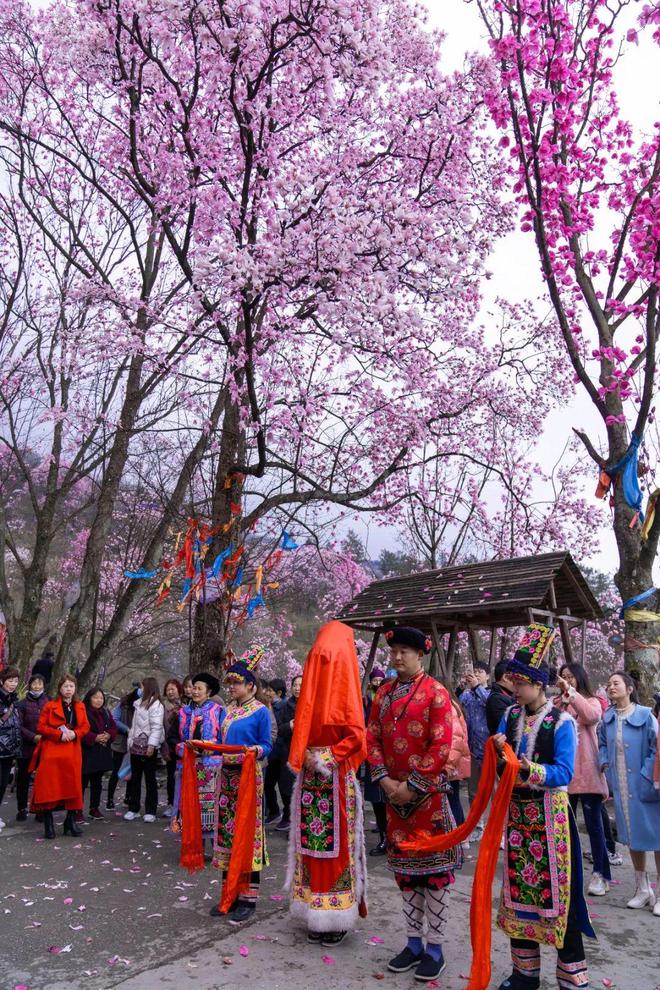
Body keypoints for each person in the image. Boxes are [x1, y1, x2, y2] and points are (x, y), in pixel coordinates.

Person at [493, 623, 594, 990]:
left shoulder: (561, 721)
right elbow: (504, 763)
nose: (513, 689)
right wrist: (498, 753)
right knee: (520, 894)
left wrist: (527, 768)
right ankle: (525, 973)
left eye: (519, 683)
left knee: (559, 899)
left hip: (552, 820)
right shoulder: (510, 717)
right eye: (512, 683)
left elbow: (564, 771)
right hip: (518, 819)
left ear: (538, 684)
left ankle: (571, 975)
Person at [367, 626, 460, 983]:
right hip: (394, 798)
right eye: (394, 651)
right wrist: (386, 781)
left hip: (428, 801)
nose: (397, 656)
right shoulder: (384, 693)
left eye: (405, 651)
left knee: (434, 875)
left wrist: (413, 785)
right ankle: (412, 943)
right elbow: (371, 735)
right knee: (406, 874)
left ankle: (434, 947)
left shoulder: (436, 692)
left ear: (421, 655)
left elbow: (440, 745)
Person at [286, 620, 368, 946]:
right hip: (310, 780)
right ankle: (313, 908)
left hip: (333, 778)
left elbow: (356, 737)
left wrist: (325, 756)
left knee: (336, 850)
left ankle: (335, 913)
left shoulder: (345, 689)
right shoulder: (314, 688)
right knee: (310, 846)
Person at [209, 646, 273, 924]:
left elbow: (267, 745)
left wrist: (250, 753)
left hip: (248, 779)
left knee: (247, 836)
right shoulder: (227, 710)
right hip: (227, 780)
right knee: (227, 836)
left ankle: (249, 898)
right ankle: (230, 892)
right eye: (229, 683)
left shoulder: (260, 711)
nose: (231, 687)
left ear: (250, 685)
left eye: (236, 683)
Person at [597, 671, 660, 916]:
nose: (611, 687)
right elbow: (602, 743)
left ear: (629, 688)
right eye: (609, 683)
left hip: (646, 786)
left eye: (616, 683)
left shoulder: (645, 716)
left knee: (655, 838)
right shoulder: (608, 716)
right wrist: (604, 762)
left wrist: (647, 775)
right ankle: (642, 888)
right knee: (633, 838)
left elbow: (658, 747)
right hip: (621, 785)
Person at [554, 663, 611, 897]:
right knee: (565, 827)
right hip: (565, 776)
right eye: (564, 677)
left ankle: (601, 873)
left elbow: (591, 716)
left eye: (571, 677)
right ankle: (567, 872)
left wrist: (571, 693)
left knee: (594, 826)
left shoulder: (592, 701)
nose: (567, 681)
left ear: (579, 679)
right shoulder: (556, 704)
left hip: (587, 774)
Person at [31, 674, 90, 839]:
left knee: (73, 786)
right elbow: (41, 727)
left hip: (72, 751)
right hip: (53, 750)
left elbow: (85, 726)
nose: (69, 689)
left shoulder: (80, 706)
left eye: (71, 686)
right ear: (60, 688)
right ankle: (48, 823)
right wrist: (58, 735)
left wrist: (75, 733)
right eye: (66, 686)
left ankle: (70, 821)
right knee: (50, 787)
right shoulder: (50, 706)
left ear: (75, 688)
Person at [171, 672, 223, 844]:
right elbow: (171, 737)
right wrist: (182, 748)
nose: (195, 691)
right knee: (187, 803)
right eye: (194, 688)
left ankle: (212, 842)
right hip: (188, 764)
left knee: (209, 806)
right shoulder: (183, 712)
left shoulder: (218, 711)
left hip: (211, 767)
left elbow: (224, 737)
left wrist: (212, 747)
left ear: (208, 692)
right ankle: (191, 840)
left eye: (199, 688)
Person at [124, 677, 164, 823]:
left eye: (142, 686)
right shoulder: (137, 704)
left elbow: (156, 727)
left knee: (150, 779)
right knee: (134, 779)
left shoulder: (156, 705)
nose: (140, 689)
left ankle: (150, 810)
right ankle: (133, 808)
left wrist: (152, 745)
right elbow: (134, 726)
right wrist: (130, 740)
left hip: (148, 747)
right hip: (135, 745)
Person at [459, 660, 491, 837]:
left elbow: (490, 704)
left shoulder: (491, 693)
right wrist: (461, 687)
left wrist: (477, 687)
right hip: (471, 749)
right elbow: (457, 704)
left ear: (487, 675)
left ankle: (495, 826)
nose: (476, 674)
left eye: (480, 671)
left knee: (492, 790)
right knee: (473, 791)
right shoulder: (467, 695)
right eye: (474, 671)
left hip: (488, 749)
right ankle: (477, 825)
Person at [15, 672, 48, 821]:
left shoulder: (49, 702)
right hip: (26, 747)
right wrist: (33, 737)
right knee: (23, 778)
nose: (37, 686)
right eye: (34, 683)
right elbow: (19, 726)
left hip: (45, 747)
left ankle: (39, 808)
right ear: (29, 685)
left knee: (42, 780)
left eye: (40, 683)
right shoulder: (21, 704)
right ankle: (22, 808)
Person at [81, 687, 117, 820]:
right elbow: (79, 730)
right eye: (95, 697)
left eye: (101, 698)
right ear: (89, 697)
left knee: (97, 782)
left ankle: (94, 808)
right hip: (87, 751)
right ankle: (77, 809)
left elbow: (114, 727)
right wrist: (94, 737)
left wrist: (108, 736)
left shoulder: (105, 712)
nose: (98, 700)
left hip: (101, 751)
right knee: (82, 782)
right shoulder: (83, 711)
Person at [363, 666, 388, 856]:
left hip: (393, 766)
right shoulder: (367, 704)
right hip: (374, 761)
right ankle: (384, 838)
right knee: (378, 803)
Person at [274, 674, 302, 833]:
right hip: (288, 750)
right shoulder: (285, 705)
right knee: (287, 787)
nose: (298, 688)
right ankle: (290, 819)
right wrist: (290, 726)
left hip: (306, 753)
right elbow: (278, 729)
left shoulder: (311, 703)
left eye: (301, 685)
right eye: (295, 685)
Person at [446, 688, 471, 848]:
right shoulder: (455, 705)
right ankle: (462, 837)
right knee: (453, 799)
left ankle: (461, 837)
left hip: (452, 762)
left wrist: (447, 764)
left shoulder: (448, 706)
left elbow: (455, 739)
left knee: (452, 799)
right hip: (457, 761)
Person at [107, 686, 138, 810]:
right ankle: (109, 799)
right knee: (116, 771)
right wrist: (127, 729)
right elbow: (115, 719)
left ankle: (128, 797)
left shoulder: (144, 705)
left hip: (136, 742)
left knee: (133, 771)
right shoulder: (123, 704)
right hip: (121, 741)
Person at [0, 666, 22, 830]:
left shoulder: (14, 699)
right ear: (2, 681)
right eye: (10, 681)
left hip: (9, 749)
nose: (13, 684)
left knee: (2, 784)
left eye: (15, 681)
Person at [264, 678, 287, 824]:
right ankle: (274, 811)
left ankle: (286, 815)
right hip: (272, 753)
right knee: (268, 784)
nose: (267, 693)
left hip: (280, 752)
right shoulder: (269, 706)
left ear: (278, 692)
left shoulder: (283, 706)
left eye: (270, 691)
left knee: (283, 785)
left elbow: (278, 729)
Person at [162, 678, 183, 817]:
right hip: (169, 746)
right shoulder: (162, 706)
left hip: (183, 747)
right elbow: (162, 728)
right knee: (171, 776)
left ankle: (181, 803)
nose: (170, 692)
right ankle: (171, 803)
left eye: (172, 689)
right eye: (168, 689)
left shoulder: (185, 705)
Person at [486, 659, 515, 735]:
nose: (517, 684)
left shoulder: (506, 695)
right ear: (505, 677)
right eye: (516, 678)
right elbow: (510, 727)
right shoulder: (496, 699)